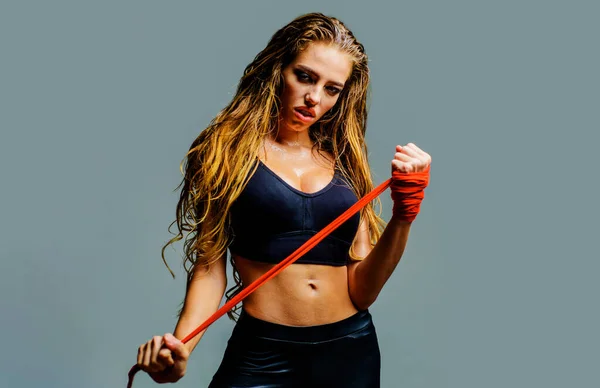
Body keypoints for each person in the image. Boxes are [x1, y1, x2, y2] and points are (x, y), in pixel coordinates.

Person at [135, 12, 431, 388]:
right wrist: (183, 348)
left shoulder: (345, 164)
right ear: (278, 70)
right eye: (305, 76)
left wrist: (405, 213)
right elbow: (210, 268)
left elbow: (362, 290)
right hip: (263, 352)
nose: (314, 97)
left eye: (332, 89)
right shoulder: (225, 153)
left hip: (350, 350)